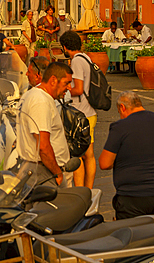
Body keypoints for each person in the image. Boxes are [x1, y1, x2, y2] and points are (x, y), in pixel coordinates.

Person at [98, 92, 154, 219]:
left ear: (122, 108)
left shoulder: (120, 127)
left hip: (132, 196)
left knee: (131, 235)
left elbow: (104, 163)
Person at [18, 61, 73, 186]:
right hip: (45, 172)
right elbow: (43, 146)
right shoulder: (40, 101)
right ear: (53, 80)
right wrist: (57, 173)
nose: (69, 88)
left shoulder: (32, 95)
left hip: (40, 170)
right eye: (67, 83)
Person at [61, 31, 96, 189]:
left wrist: (65, 90)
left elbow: (79, 89)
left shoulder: (76, 61)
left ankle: (80, 189)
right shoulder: (86, 58)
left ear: (65, 46)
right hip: (90, 111)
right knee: (89, 155)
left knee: (78, 155)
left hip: (80, 113)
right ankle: (88, 189)